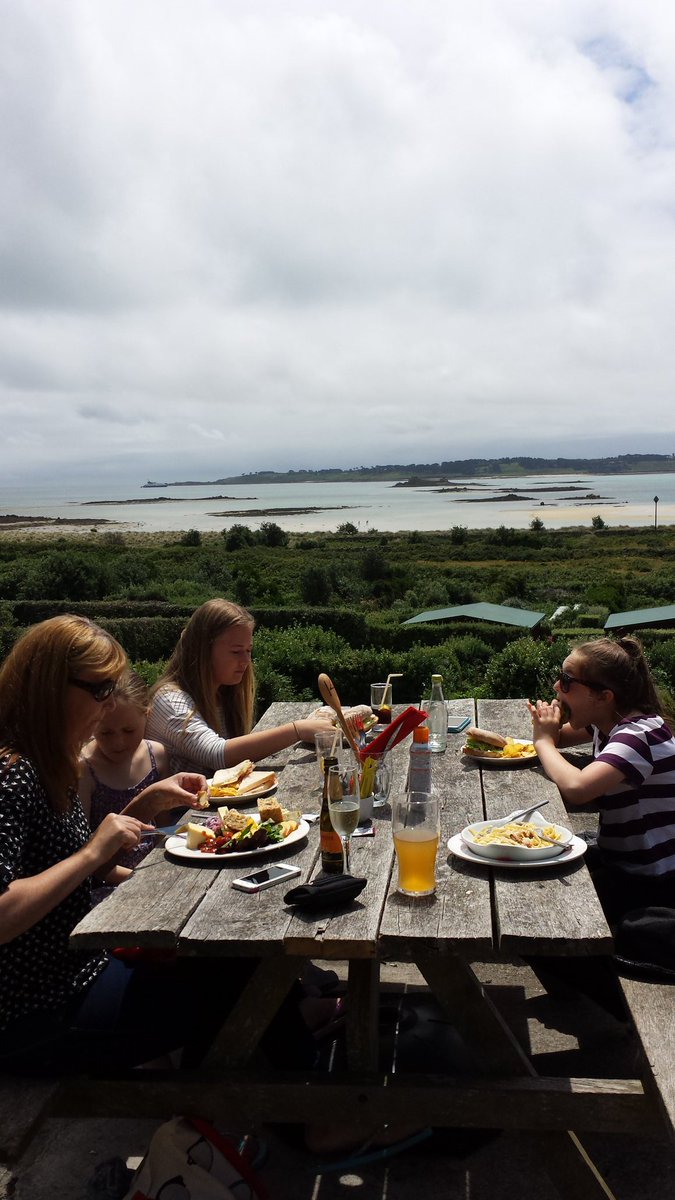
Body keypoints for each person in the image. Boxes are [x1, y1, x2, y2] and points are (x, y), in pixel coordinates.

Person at [0, 614, 317, 1076]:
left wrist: (143, 804)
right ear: (51, 687)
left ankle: (221, 1111)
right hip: (38, 1012)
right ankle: (307, 1114)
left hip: (80, 971)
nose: (108, 708)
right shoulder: (14, 774)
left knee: (239, 957)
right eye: (100, 690)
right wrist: (92, 852)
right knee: (243, 983)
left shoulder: (51, 760)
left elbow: (60, 863)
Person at [527, 635, 675, 1014]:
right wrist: (551, 729)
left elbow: (576, 788)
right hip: (625, 859)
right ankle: (576, 990)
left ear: (604, 695)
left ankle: (625, 1009)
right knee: (535, 879)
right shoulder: (608, 724)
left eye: (567, 681)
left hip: (652, 881)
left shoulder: (636, 737)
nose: (557, 687)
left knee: (541, 922)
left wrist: (543, 740)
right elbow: (561, 736)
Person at [146, 599, 333, 775]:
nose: (246, 661)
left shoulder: (223, 692)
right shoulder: (170, 700)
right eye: (236, 652)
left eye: (248, 650)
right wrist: (297, 730)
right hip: (182, 810)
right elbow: (216, 754)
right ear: (203, 650)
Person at [79, 669, 173, 901]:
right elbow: (83, 856)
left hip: (156, 872)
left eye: (129, 730)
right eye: (106, 732)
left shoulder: (156, 755)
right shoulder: (85, 770)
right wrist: (141, 881)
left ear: (146, 715)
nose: (118, 742)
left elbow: (164, 830)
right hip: (108, 886)